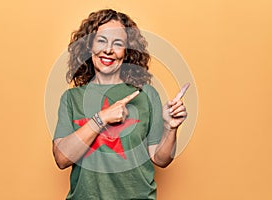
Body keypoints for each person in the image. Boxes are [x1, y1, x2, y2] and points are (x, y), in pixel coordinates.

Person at [52, 9, 188, 200]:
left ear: (127, 51)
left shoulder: (146, 94)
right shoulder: (71, 98)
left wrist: (170, 128)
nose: (108, 50)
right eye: (101, 40)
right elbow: (61, 159)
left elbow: (160, 159)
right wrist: (102, 118)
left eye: (118, 43)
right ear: (89, 46)